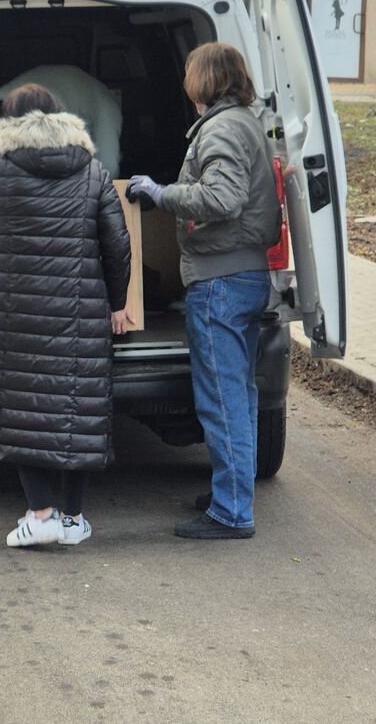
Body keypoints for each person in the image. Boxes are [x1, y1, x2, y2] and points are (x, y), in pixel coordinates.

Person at [0, 84, 132, 548]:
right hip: (80, 313)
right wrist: (118, 303)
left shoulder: (1, 169)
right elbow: (118, 243)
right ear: (61, 118)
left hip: (16, 312)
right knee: (76, 411)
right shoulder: (92, 170)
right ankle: (72, 520)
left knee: (24, 408)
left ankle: (40, 513)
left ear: (9, 125)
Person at [127, 42, 280, 541]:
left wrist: (158, 192)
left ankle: (232, 511)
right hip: (244, 276)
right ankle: (232, 491)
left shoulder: (221, 129)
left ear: (203, 82)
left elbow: (222, 198)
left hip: (221, 280)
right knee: (241, 391)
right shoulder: (244, 123)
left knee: (222, 397)